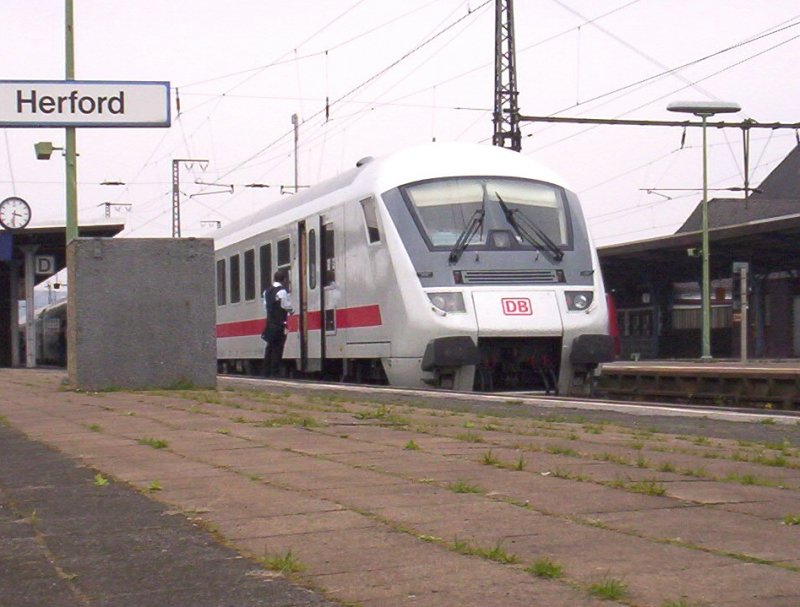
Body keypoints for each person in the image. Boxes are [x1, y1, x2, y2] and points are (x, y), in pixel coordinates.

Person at [262, 268, 293, 378]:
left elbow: (266, 306)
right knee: (278, 348)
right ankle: (275, 372)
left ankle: (266, 371)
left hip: (269, 323)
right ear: (284, 279)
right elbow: (286, 306)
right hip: (280, 323)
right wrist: (292, 311)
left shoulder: (266, 292)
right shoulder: (282, 291)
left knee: (269, 347)